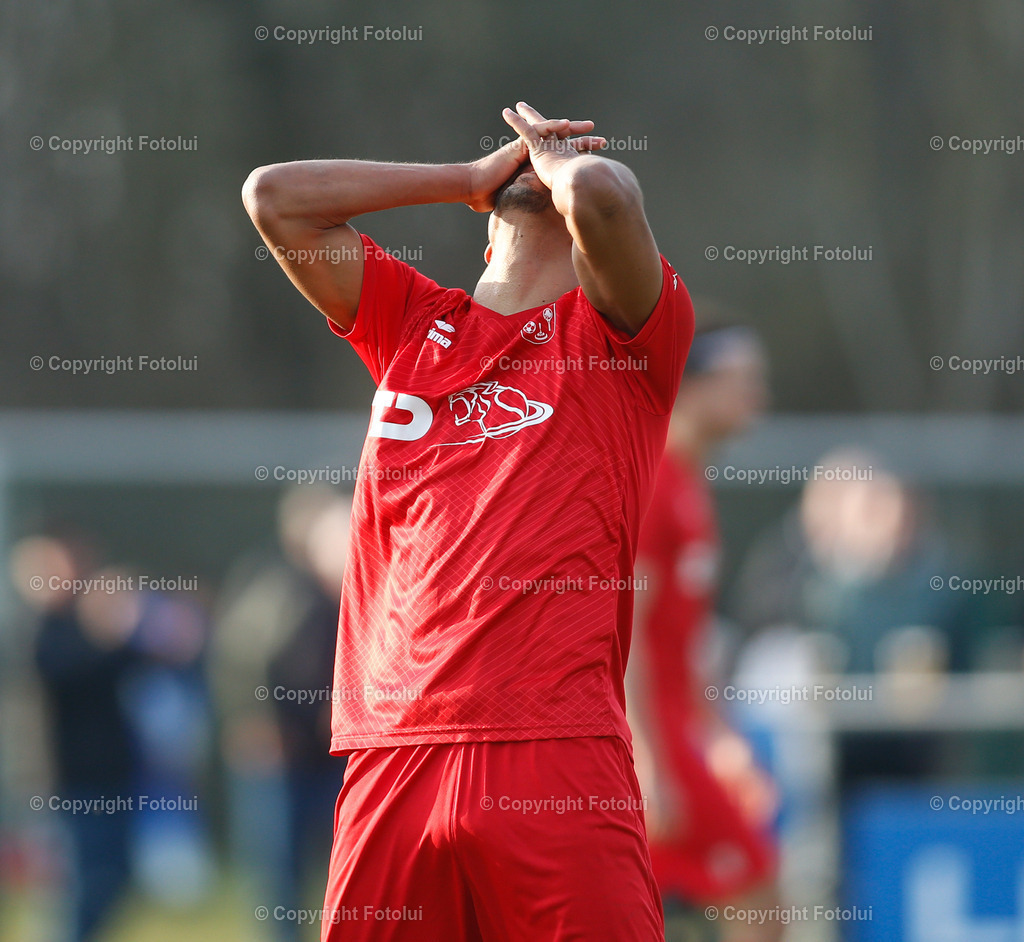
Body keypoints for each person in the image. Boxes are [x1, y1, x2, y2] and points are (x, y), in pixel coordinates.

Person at [243, 102, 694, 941]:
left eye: (553, 163)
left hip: (554, 746)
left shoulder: (620, 342)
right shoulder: (411, 326)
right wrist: (460, 182)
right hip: (391, 751)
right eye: (531, 154)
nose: (540, 159)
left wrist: (561, 174)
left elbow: (603, 193)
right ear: (484, 237)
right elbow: (274, 197)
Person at [624, 316, 781, 941]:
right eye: (741, 380)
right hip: (645, 737)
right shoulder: (655, 478)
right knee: (757, 892)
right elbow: (624, 631)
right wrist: (645, 757)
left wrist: (721, 736)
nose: (757, 397)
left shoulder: (688, 481)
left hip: (671, 735)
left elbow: (684, 643)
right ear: (692, 385)